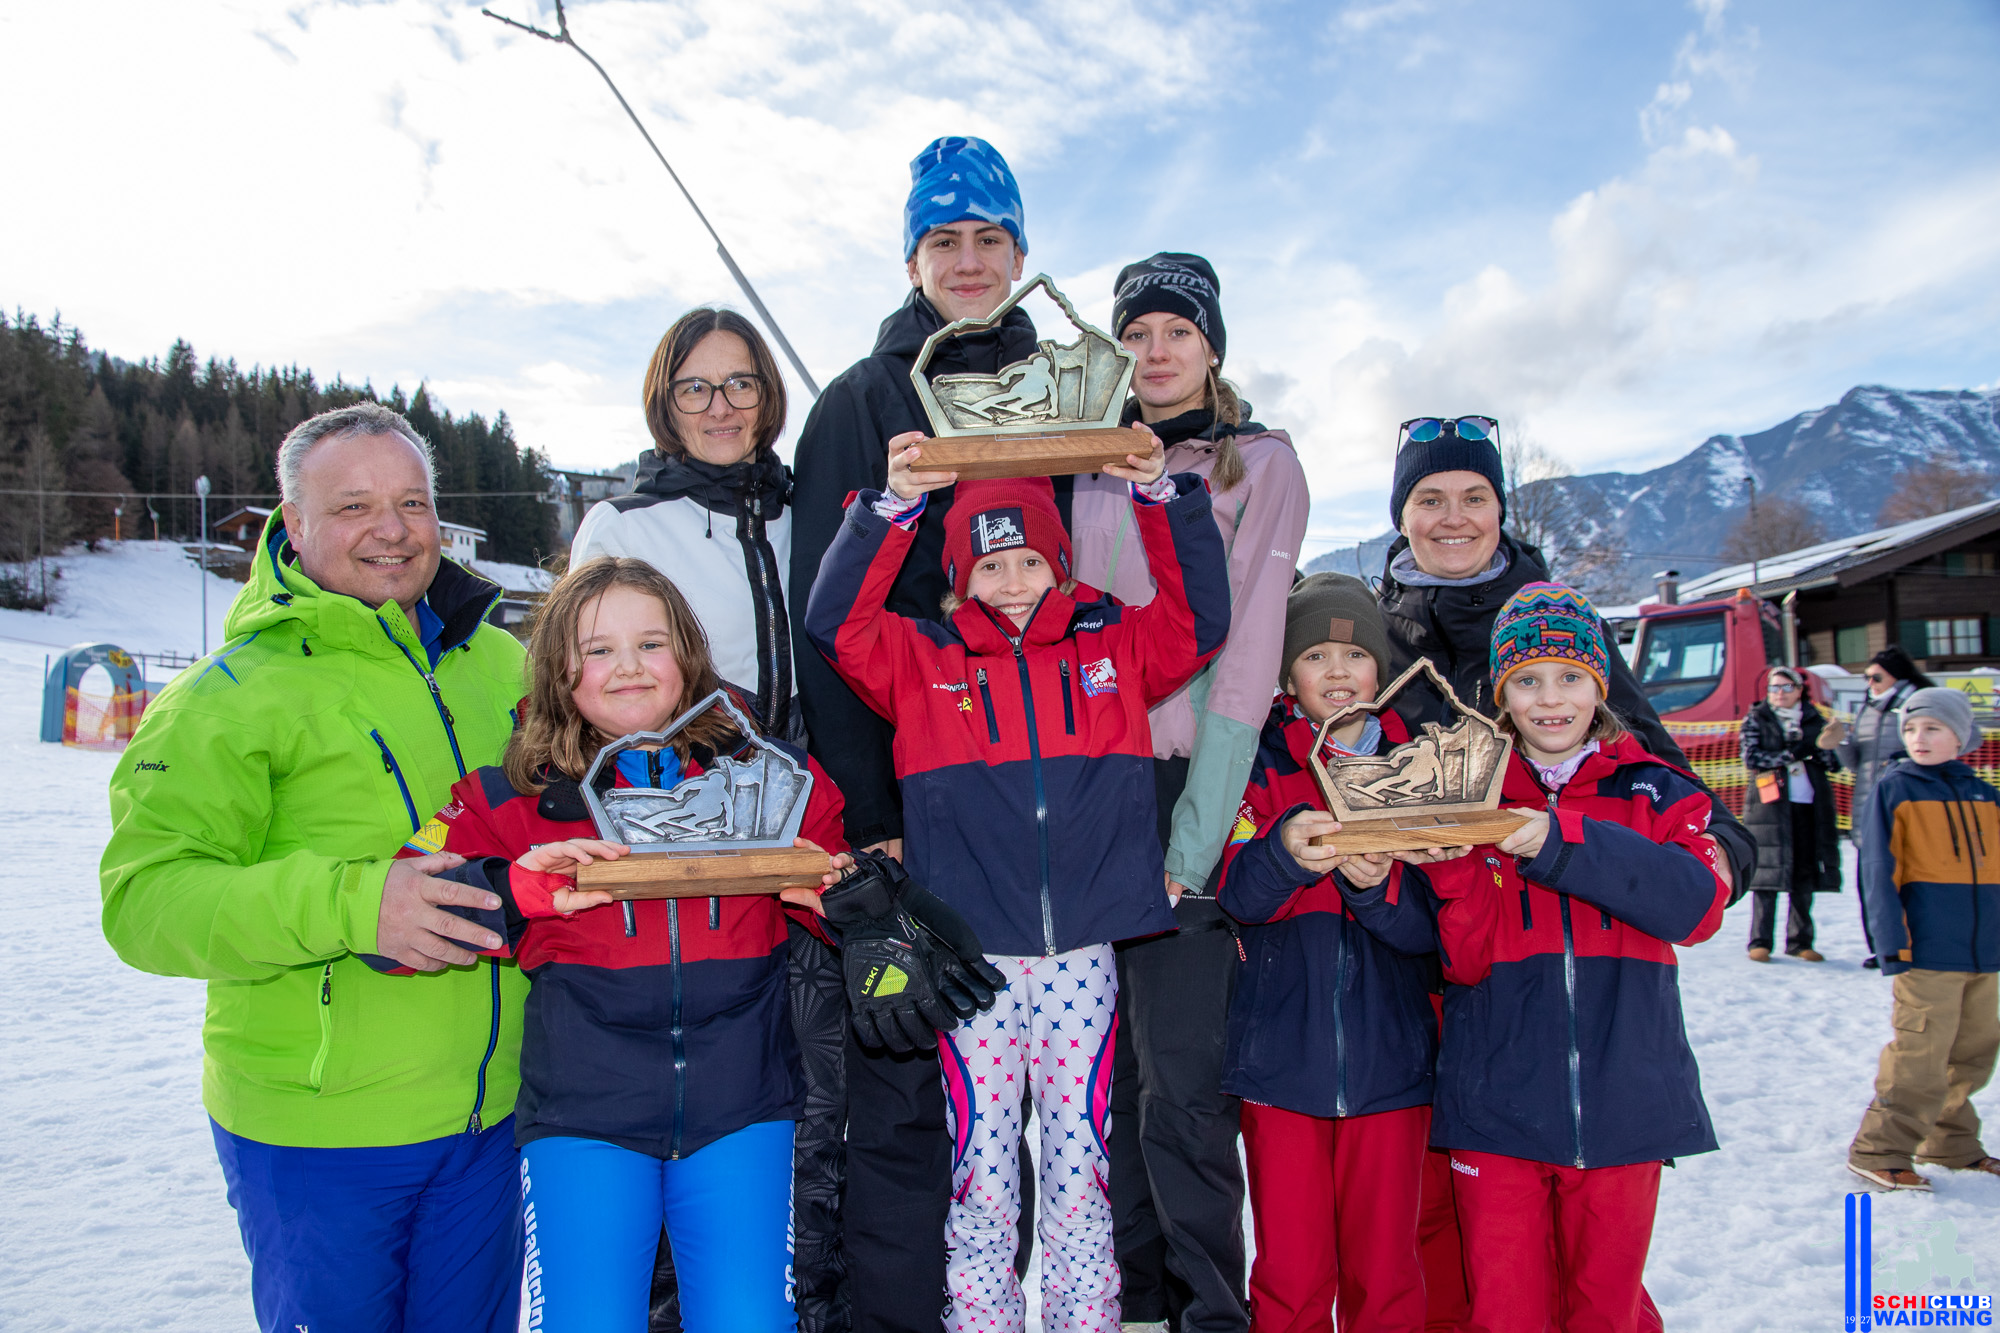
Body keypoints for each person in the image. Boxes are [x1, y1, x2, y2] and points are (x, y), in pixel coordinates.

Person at [99, 404, 531, 1333]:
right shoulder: (225, 698)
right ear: (292, 524)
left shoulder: (500, 662)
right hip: (318, 1132)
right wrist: (354, 904)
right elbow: (144, 900)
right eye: (353, 506)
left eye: (412, 502)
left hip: (490, 1119)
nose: (391, 529)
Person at [804, 436, 1231, 1332]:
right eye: (991, 565)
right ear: (960, 577)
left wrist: (1159, 495)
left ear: (1060, 564)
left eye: (1030, 559)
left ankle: (1088, 1321)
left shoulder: (1113, 642)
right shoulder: (922, 659)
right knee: (983, 1171)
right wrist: (892, 510)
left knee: (1083, 1164)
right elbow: (836, 621)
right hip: (974, 960)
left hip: (1083, 952)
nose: (1012, 582)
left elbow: (1199, 619)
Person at [372, 556, 854, 1329]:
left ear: (689, 657)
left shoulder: (770, 780)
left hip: (744, 1113)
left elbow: (851, 900)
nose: (627, 667)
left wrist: (844, 901)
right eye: (598, 649)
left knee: (749, 1320)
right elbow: (393, 925)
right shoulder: (506, 798)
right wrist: (516, 891)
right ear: (560, 670)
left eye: (651, 643)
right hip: (582, 1125)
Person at [786, 133, 1040, 1333]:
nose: (970, 259)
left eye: (990, 237)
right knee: (907, 1101)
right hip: (910, 802)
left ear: (1022, 251)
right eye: (945, 239)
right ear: (911, 256)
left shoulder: (1067, 394)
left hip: (1043, 799)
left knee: (1039, 1108)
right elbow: (827, 625)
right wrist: (871, 821)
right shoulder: (859, 400)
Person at [1338, 582, 1728, 1331]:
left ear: (1600, 684)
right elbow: (1469, 958)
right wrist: (1452, 865)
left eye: (1570, 677)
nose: (1551, 699)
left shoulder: (1656, 788)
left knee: (1605, 1310)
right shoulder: (1472, 789)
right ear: (1501, 691)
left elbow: (1696, 906)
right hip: (1497, 1109)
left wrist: (1560, 841)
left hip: (1625, 1103)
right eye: (1527, 680)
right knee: (1505, 1309)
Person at [569, 305, 845, 1330]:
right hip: (676, 833)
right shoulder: (625, 524)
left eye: (739, 385)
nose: (720, 407)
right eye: (696, 387)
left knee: (794, 1106)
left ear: (768, 396)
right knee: (674, 1099)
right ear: (663, 400)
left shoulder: (798, 507)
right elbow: (587, 684)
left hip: (794, 830)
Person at [1069, 252, 1309, 1333]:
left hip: (1185, 783)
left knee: (1181, 1081)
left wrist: (1200, 828)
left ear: (1212, 346)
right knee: (1101, 1078)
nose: (1155, 352)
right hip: (1082, 786)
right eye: (1136, 333)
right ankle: (1130, 1306)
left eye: (1177, 331)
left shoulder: (1253, 464)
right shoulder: (1082, 457)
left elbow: (1252, 649)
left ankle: (1210, 1311)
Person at [1215, 574, 1439, 1332]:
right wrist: (1281, 852)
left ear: (1383, 668)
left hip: (1392, 1068)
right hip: (1281, 1064)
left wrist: (1377, 891)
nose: (1339, 671)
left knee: (1387, 1273)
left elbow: (1435, 931)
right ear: (1286, 675)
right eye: (1315, 654)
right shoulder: (1258, 767)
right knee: (1291, 1272)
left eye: (1355, 653)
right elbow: (1236, 897)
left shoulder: (1423, 769)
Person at [1848, 687, 2000, 1192]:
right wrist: (1891, 942)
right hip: (1926, 950)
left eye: (1932, 728)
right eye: (1911, 729)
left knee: (1972, 1052)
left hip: (1983, 951)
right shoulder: (1897, 788)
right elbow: (1877, 869)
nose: (1919, 738)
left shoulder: (1983, 792)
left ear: (1961, 735)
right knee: (1921, 1052)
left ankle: (1951, 1142)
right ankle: (1880, 1148)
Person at [1740, 665, 1843, 962]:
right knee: (1767, 874)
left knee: (1805, 872)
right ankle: (1760, 941)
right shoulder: (1757, 717)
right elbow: (1752, 756)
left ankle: (1800, 940)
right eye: (1774, 688)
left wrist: (1826, 746)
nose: (1780, 693)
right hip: (1768, 807)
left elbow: (1832, 764)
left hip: (1808, 804)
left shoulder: (1815, 718)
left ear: (1799, 689)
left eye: (1786, 687)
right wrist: (1792, 754)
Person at [1837, 645, 1934, 856]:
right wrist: (1839, 741)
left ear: (1896, 677)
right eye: (1867, 677)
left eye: (1877, 678)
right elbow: (1855, 764)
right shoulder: (1868, 708)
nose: (1870, 683)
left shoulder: (1921, 702)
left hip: (1906, 804)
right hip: (1868, 805)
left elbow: (1967, 737)